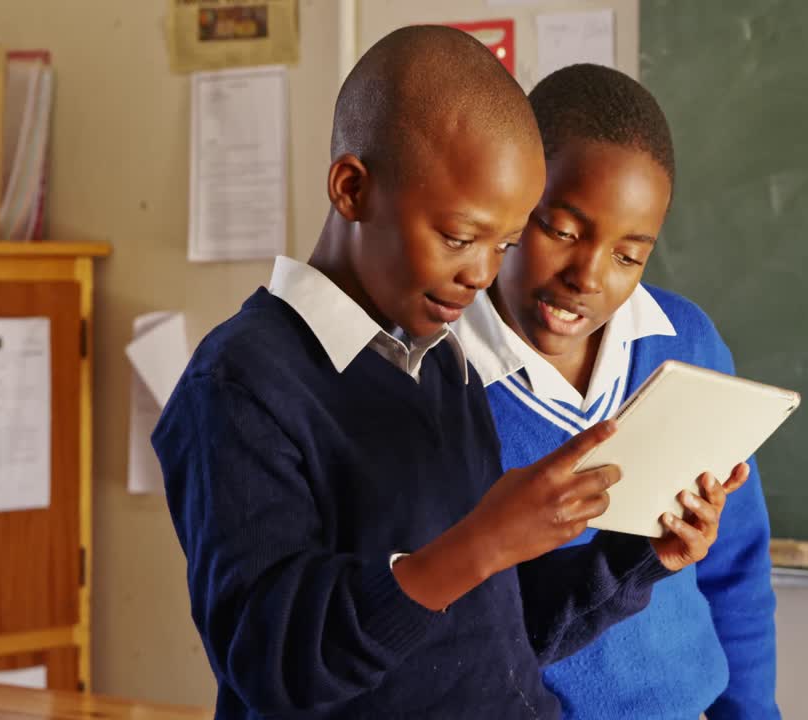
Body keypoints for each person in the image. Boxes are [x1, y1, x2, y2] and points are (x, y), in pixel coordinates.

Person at [153, 29, 742, 719]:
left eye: (507, 243)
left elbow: (493, 636)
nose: (483, 274)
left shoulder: (437, 365)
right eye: (460, 238)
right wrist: (482, 541)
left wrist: (631, 555)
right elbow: (273, 665)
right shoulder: (239, 386)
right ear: (352, 188)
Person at [453, 63, 780, 719]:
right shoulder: (442, 374)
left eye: (628, 255)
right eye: (564, 231)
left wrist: (752, 714)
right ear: (514, 196)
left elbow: (735, 565)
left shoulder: (685, 344)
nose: (587, 276)